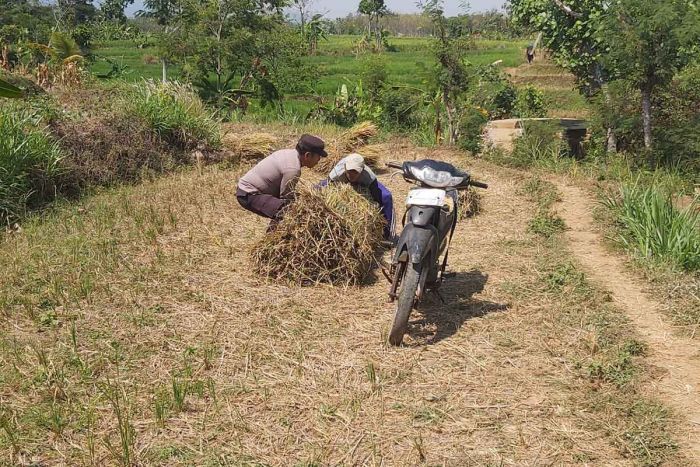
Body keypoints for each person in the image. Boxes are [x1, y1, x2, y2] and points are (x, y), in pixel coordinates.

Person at [236, 134, 327, 226]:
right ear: (307, 155)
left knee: (286, 209)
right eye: (318, 156)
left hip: (247, 190)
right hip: (249, 194)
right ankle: (273, 239)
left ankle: (273, 237)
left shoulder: (287, 153)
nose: (319, 159)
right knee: (288, 212)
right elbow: (286, 198)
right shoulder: (293, 169)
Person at [321, 153, 394, 239]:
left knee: (386, 197)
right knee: (318, 188)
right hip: (340, 186)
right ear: (345, 167)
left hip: (365, 185)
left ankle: (386, 233)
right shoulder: (336, 174)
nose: (351, 174)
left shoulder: (369, 177)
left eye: (355, 172)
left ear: (362, 170)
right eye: (349, 171)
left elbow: (376, 198)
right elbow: (329, 190)